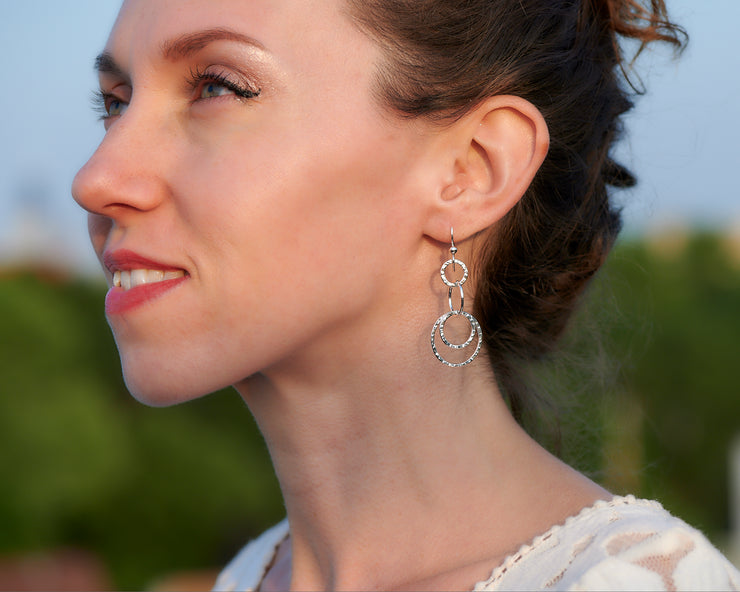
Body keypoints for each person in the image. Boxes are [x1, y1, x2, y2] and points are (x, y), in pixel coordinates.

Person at [72, 0, 740, 589]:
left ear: (471, 169)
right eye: (116, 102)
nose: (98, 177)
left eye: (216, 86)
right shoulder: (245, 578)